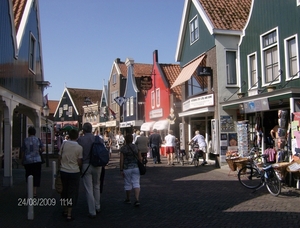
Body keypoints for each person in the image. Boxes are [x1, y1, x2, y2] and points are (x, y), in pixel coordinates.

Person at [77, 122, 103, 218]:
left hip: (86, 165)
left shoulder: (80, 140)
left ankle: (92, 211)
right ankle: (98, 206)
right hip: (97, 164)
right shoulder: (98, 139)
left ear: (83, 130)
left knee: (89, 189)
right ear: (91, 129)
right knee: (97, 185)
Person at [58, 129, 83, 221]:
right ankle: (69, 213)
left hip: (64, 170)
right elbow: (80, 161)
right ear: (77, 137)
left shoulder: (64, 144)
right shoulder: (79, 148)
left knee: (64, 191)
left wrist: (58, 168)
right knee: (72, 192)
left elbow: (59, 157)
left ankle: (64, 209)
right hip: (74, 172)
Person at [21, 126, 45, 197]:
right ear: (35, 132)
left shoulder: (25, 140)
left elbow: (22, 151)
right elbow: (43, 149)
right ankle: (34, 192)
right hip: (37, 160)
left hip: (28, 160)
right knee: (36, 175)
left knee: (28, 175)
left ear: (28, 133)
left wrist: (22, 159)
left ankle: (29, 190)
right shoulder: (38, 139)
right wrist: (38, 152)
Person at [119, 134, 142, 206]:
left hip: (127, 168)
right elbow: (140, 158)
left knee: (128, 183)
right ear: (132, 139)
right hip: (135, 167)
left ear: (125, 140)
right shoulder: (136, 147)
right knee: (136, 183)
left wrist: (121, 169)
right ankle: (137, 199)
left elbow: (121, 160)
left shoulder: (123, 148)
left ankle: (128, 198)